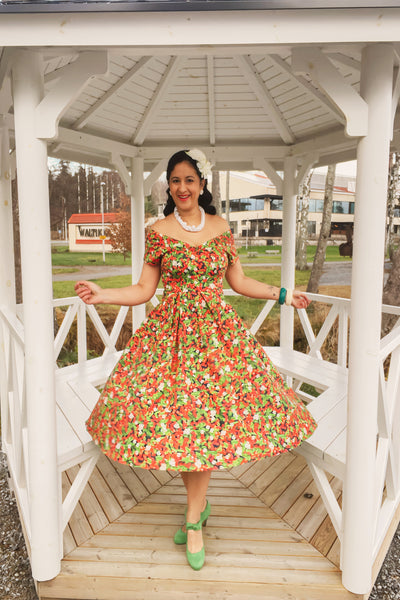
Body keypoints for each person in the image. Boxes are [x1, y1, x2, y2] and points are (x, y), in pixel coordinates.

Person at [75, 148, 317, 572]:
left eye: (189, 179)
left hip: (217, 340)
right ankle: (195, 514)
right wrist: (104, 295)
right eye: (174, 180)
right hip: (170, 339)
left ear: (202, 184)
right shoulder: (158, 230)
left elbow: (237, 281)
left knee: (203, 426)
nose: (182, 188)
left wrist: (282, 294)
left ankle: (193, 515)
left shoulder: (222, 228)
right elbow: (144, 289)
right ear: (168, 187)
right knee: (186, 427)